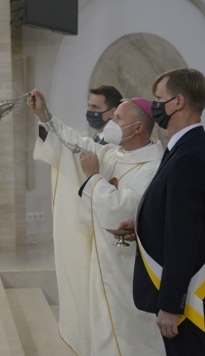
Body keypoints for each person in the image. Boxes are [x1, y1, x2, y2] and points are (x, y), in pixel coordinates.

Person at [29, 89, 165, 356]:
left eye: (118, 119)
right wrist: (45, 117)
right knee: (102, 335)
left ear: (138, 127)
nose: (111, 124)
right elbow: (76, 147)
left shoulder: (154, 167)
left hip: (127, 273)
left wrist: (93, 177)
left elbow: (120, 211)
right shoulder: (114, 153)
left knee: (131, 340)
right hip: (102, 264)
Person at [119, 68, 205, 356]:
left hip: (185, 296)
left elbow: (184, 236)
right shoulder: (184, 149)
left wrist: (170, 305)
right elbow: (174, 214)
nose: (155, 106)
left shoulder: (190, 156)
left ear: (178, 102)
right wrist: (141, 226)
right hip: (182, 289)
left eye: (159, 98)